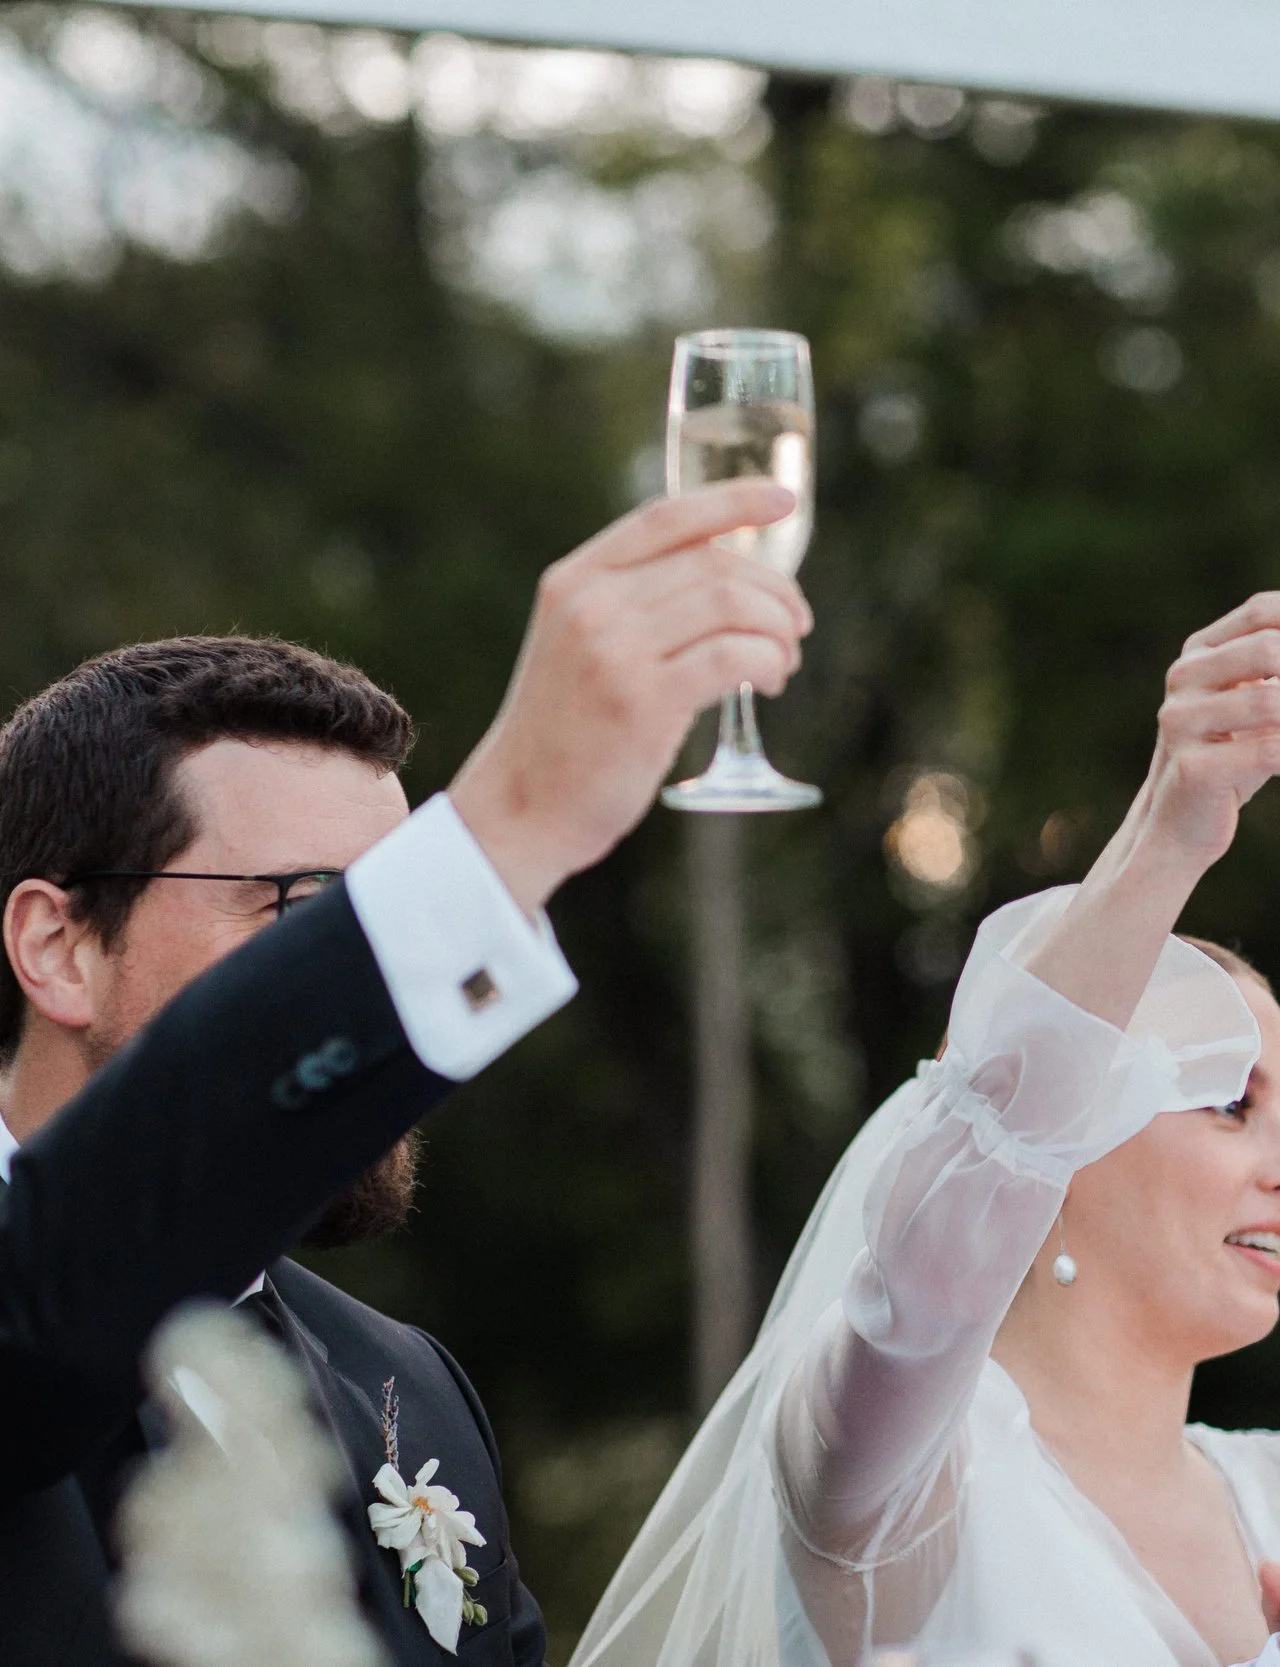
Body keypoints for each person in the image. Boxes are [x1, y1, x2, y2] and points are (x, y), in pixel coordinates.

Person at [0, 480, 811, 1667]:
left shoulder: (408, 1386)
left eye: (380, 911)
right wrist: (504, 833)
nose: (382, 989)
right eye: (310, 913)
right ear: (57, 946)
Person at [576, 591, 1280, 1667]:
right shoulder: (904, 1476)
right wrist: (1166, 832)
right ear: (1064, 1138)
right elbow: (951, 1224)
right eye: (1231, 1103)